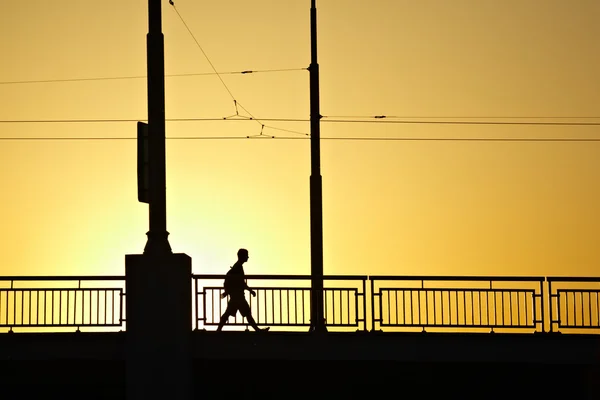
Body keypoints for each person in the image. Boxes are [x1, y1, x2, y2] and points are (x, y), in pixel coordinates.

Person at [216, 248, 269, 332]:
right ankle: (257, 330)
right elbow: (241, 282)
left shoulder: (237, 266)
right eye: (246, 255)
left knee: (230, 313)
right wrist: (250, 290)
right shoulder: (238, 267)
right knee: (246, 313)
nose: (248, 257)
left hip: (236, 295)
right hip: (238, 296)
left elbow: (239, 282)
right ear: (243, 256)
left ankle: (218, 330)